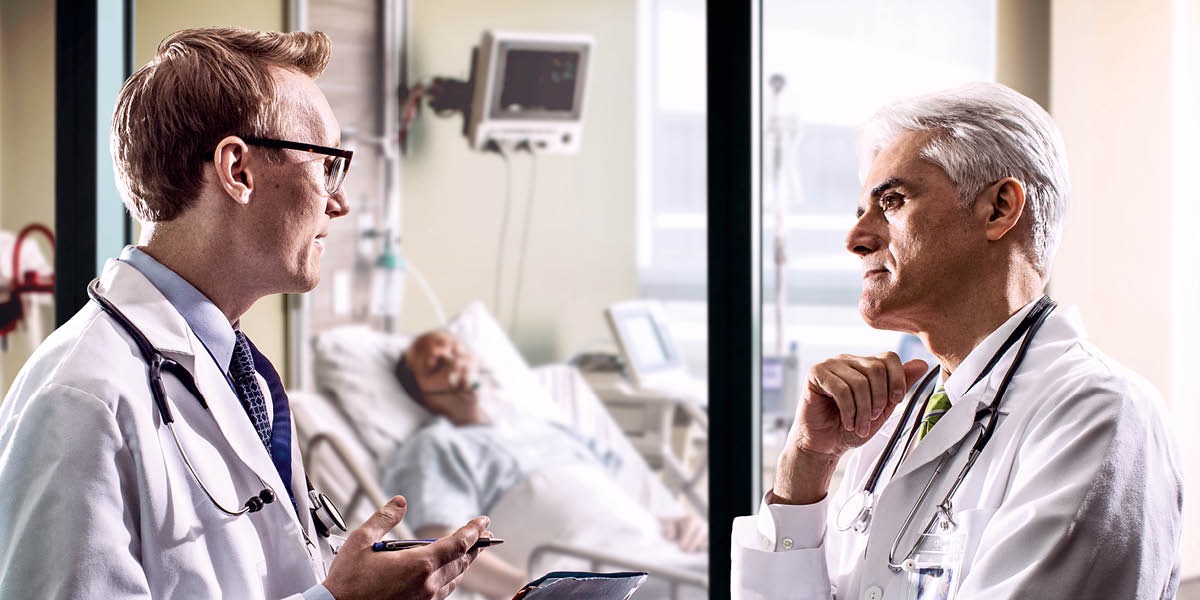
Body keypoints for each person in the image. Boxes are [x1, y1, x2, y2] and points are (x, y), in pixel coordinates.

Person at [0, 27, 490, 599]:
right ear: (238, 170)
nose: (340, 201)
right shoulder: (83, 401)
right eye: (328, 164)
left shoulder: (238, 372)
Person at [731, 82, 1183, 599]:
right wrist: (803, 474)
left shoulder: (1099, 415)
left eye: (892, 202)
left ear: (999, 209)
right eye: (862, 209)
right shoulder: (884, 423)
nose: (856, 239)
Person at [384, 330, 708, 599]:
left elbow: (607, 496)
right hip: (595, 576)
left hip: (657, 553)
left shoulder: (541, 426)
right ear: (423, 395)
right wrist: (531, 590)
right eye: (437, 364)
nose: (456, 364)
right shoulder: (435, 445)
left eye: (457, 351)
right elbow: (443, 546)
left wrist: (669, 523)